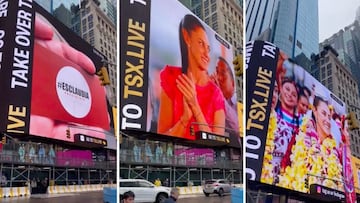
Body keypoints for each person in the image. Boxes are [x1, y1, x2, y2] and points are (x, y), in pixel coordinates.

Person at [158, 14, 225, 139]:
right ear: (186, 37)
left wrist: (195, 106)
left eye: (208, 48)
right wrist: (184, 119)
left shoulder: (216, 94)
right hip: (176, 157)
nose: (206, 54)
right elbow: (162, 138)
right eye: (200, 43)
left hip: (208, 158)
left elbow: (219, 141)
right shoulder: (171, 77)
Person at [211, 57, 239, 132]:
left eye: (223, 74)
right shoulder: (215, 97)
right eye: (217, 72)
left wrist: (219, 95)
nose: (218, 78)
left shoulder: (239, 102)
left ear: (233, 83)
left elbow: (238, 127)